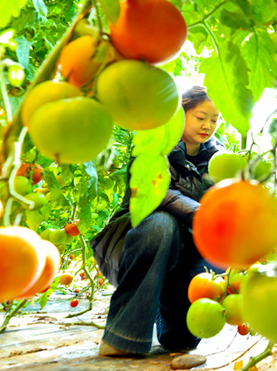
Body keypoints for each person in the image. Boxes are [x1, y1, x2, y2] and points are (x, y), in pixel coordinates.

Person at [91, 85, 222, 357]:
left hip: (183, 255)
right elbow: (158, 192)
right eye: (200, 117)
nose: (208, 125)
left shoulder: (220, 160)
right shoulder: (155, 144)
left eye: (214, 119)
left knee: (180, 341)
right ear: (181, 112)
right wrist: (203, 215)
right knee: (161, 225)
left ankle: (169, 312)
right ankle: (123, 335)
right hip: (137, 241)